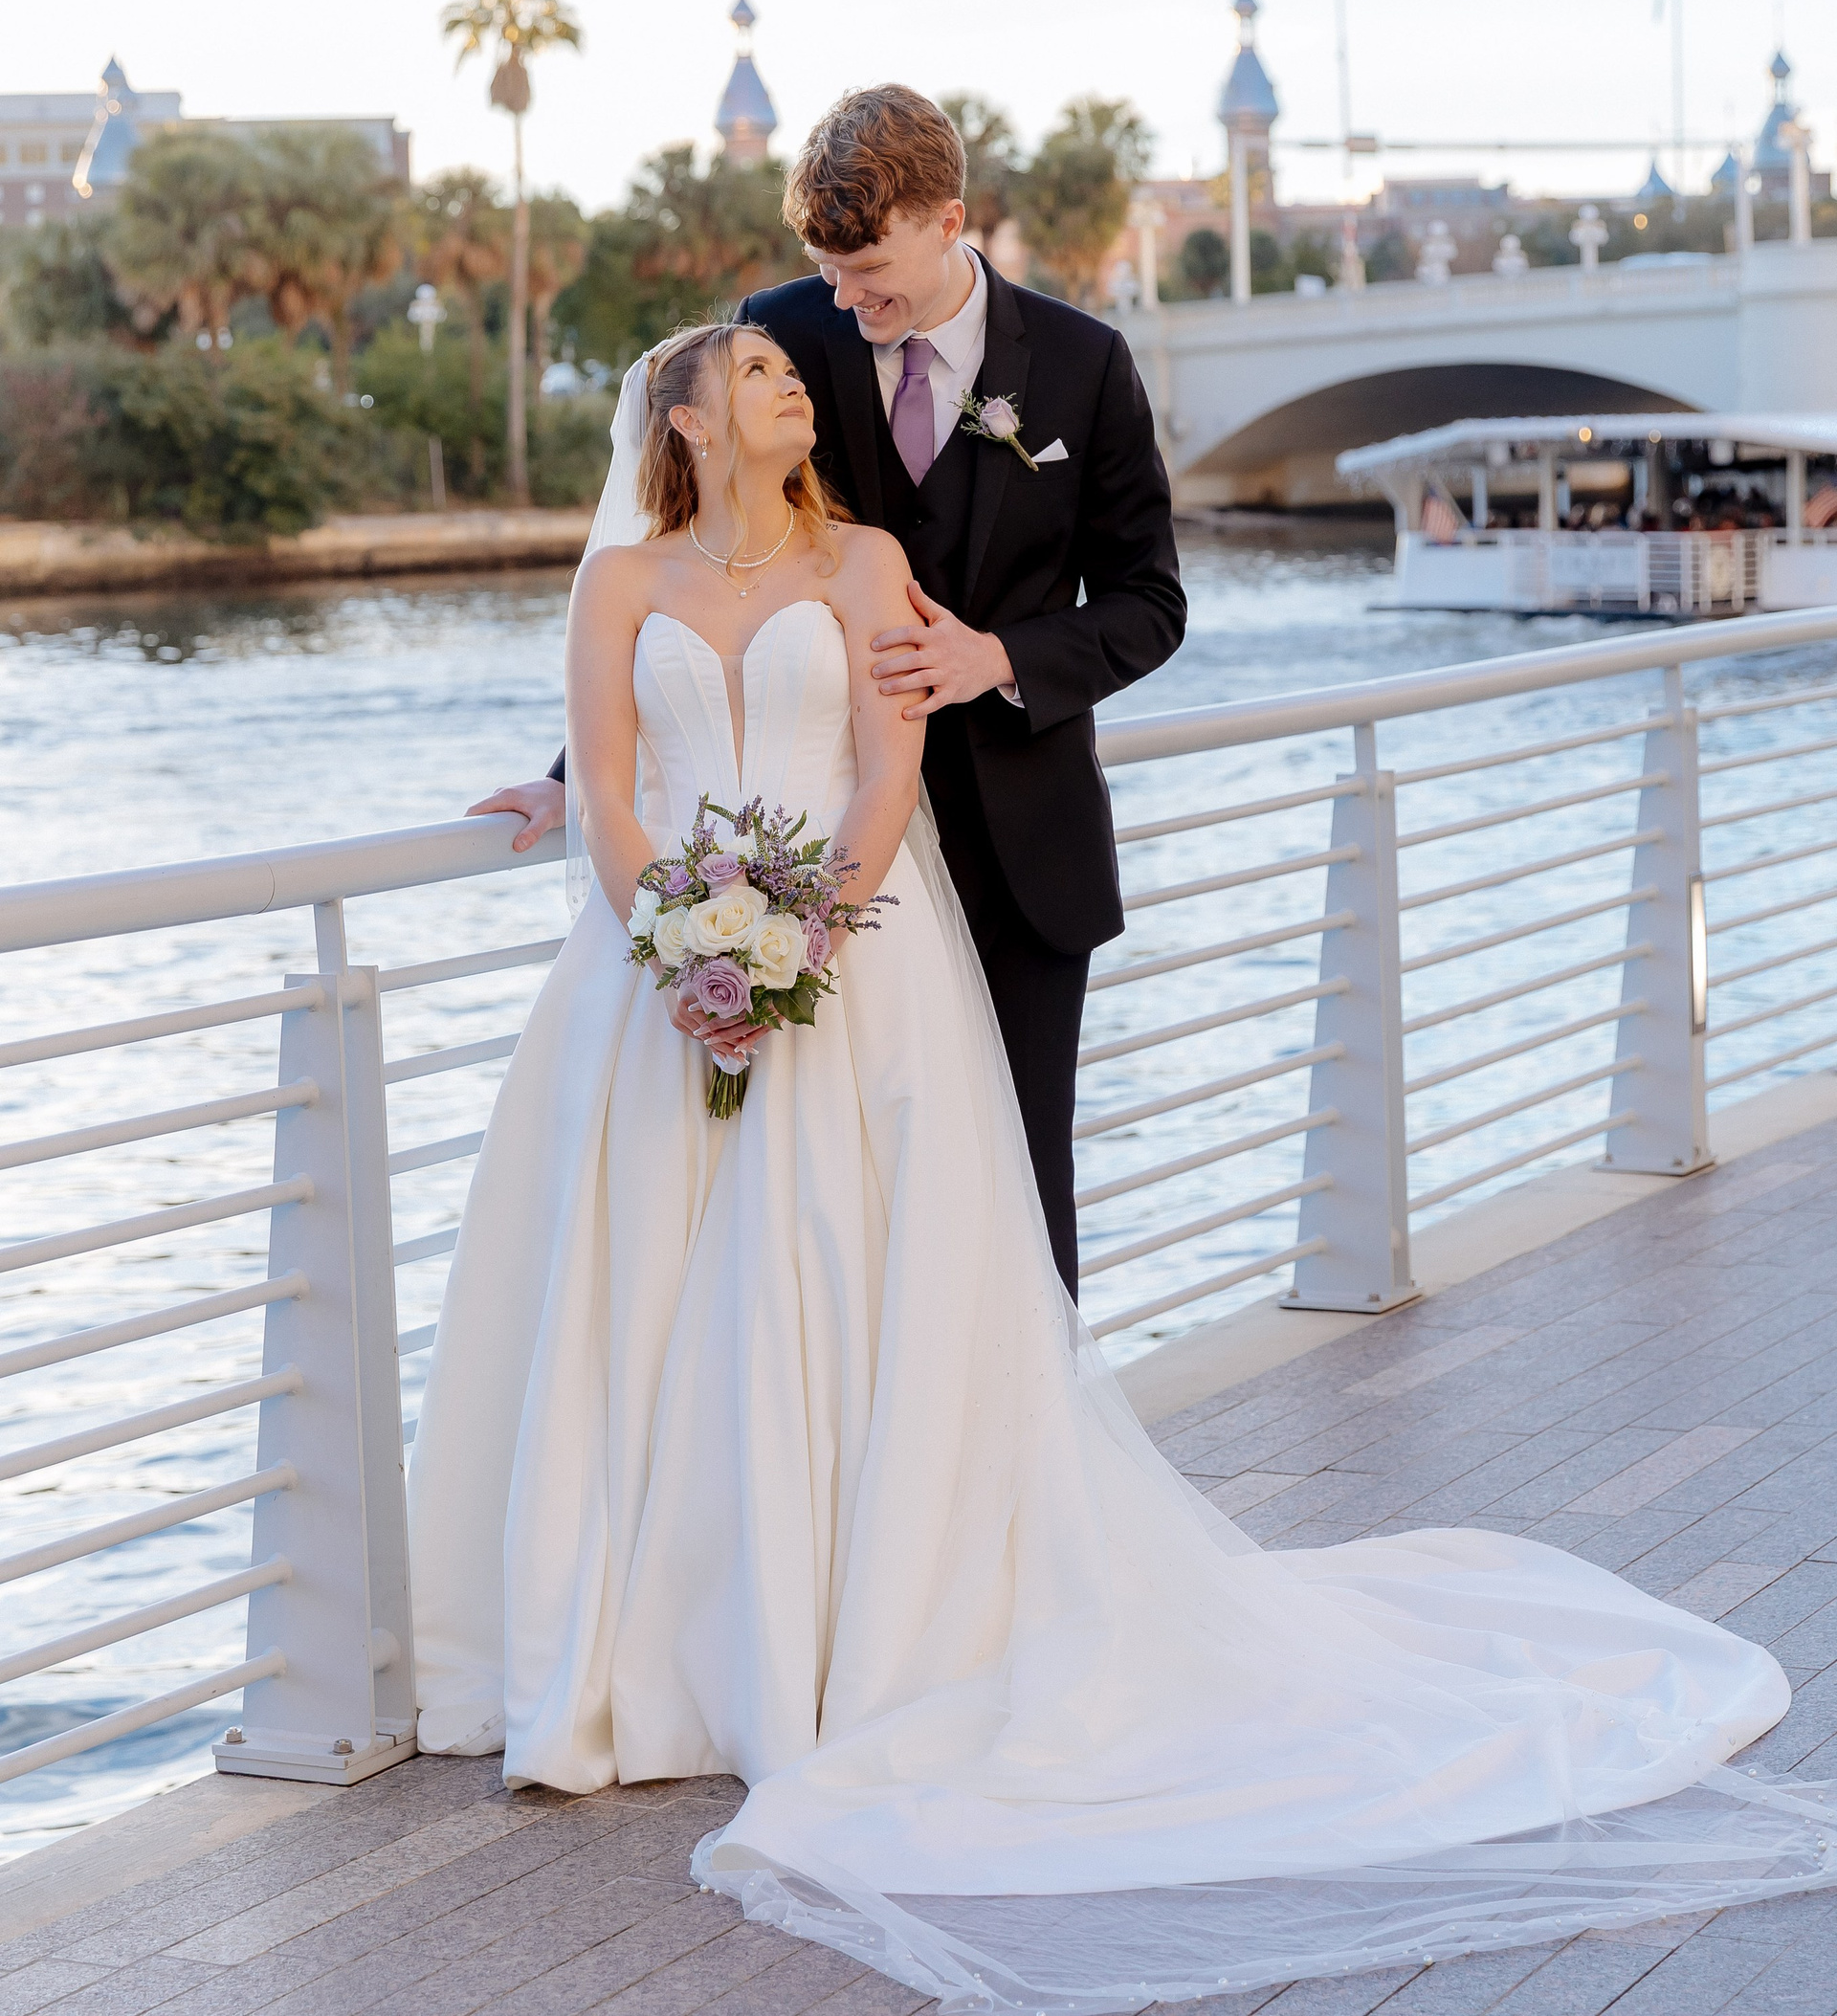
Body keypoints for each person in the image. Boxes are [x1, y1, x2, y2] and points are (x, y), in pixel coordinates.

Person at [411, 317, 1837, 2013]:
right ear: (688, 423)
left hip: (847, 965)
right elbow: (609, 793)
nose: (800, 380)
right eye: (766, 379)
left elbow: (887, 772)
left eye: (799, 371)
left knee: (843, 1273)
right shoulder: (618, 583)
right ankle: (644, 1654)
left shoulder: (865, 559)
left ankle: (826, 1646)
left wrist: (795, 949)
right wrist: (683, 953)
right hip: (652, 985)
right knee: (646, 1296)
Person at [469, 83, 1187, 1297]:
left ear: (948, 219)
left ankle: (1023, 1421)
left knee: (1018, 1186)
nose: (848, 301)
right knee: (826, 1201)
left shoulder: (1083, 364)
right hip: (810, 847)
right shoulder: (781, 329)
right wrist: (570, 779)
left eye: (870, 271)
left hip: (1019, 850)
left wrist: (1000, 659)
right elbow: (700, 558)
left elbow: (1150, 602)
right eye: (829, 272)